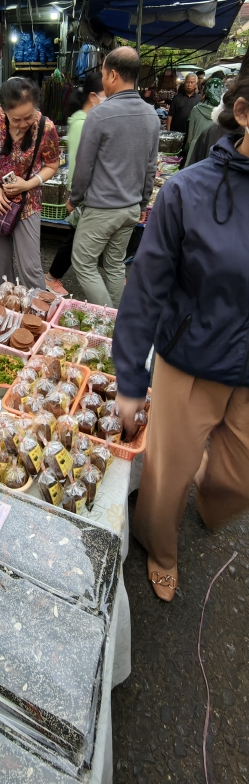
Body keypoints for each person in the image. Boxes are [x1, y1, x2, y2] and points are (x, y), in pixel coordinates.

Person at [112, 76, 249, 602]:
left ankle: (209, 493)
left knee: (237, 479)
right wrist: (129, 378)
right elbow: (145, 289)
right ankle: (160, 547)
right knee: (167, 480)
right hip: (192, 360)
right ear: (242, 111)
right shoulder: (186, 191)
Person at [68, 47, 160, 308]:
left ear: (113, 75)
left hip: (103, 208)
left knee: (83, 263)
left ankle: (110, 323)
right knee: (114, 265)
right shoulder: (151, 115)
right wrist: (142, 204)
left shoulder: (99, 114)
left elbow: (83, 166)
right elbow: (150, 167)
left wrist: (74, 199)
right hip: (130, 208)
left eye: (105, 72)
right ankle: (119, 324)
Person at [0, 76, 60, 288]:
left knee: (30, 268)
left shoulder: (46, 127)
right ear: (4, 109)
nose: (23, 124)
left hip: (28, 202)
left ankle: (35, 316)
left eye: (28, 117)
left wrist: (28, 184)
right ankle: (5, 313)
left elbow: (52, 165)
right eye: (16, 119)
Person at [44, 73, 105, 296]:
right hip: (84, 191)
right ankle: (51, 277)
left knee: (78, 236)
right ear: (93, 96)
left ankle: (54, 276)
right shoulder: (82, 123)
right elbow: (80, 163)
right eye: (106, 94)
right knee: (75, 238)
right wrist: (76, 196)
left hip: (91, 191)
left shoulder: (92, 120)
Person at [184, 76, 224, 165]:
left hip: (195, 149)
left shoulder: (196, 109)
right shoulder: (224, 114)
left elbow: (190, 137)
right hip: (214, 152)